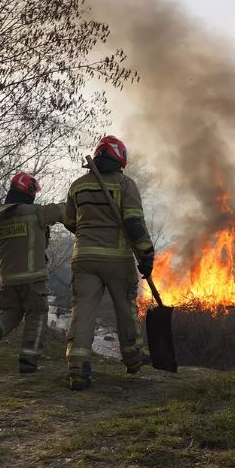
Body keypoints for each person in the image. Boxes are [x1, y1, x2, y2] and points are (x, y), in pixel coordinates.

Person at [63, 136, 154, 390]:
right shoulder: (126, 185)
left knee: (82, 310)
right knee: (125, 308)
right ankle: (134, 360)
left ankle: (77, 368)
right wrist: (147, 255)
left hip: (84, 259)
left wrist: (90, 230)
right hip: (117, 259)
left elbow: (70, 221)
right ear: (120, 158)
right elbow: (134, 225)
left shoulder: (77, 186)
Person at [0, 172, 64, 373]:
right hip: (32, 277)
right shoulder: (35, 212)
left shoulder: (1, 219)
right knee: (37, 314)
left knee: (12, 313)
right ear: (30, 192)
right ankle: (29, 361)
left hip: (8, 279)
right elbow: (61, 211)